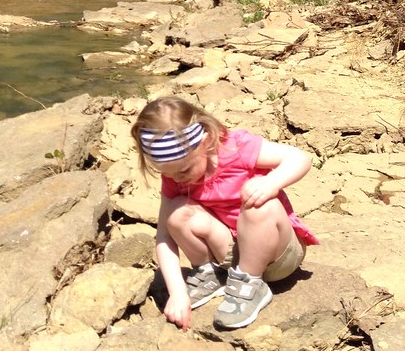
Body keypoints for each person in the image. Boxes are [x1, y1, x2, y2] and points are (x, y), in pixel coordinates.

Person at [131, 95, 318, 331]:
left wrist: (271, 183)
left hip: (278, 254)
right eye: (167, 173)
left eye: (184, 169)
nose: (177, 178)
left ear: (206, 142)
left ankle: (251, 286)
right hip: (232, 256)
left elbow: (300, 157)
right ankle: (212, 274)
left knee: (260, 204)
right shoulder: (175, 175)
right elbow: (165, 236)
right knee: (177, 214)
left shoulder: (236, 148)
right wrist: (177, 293)